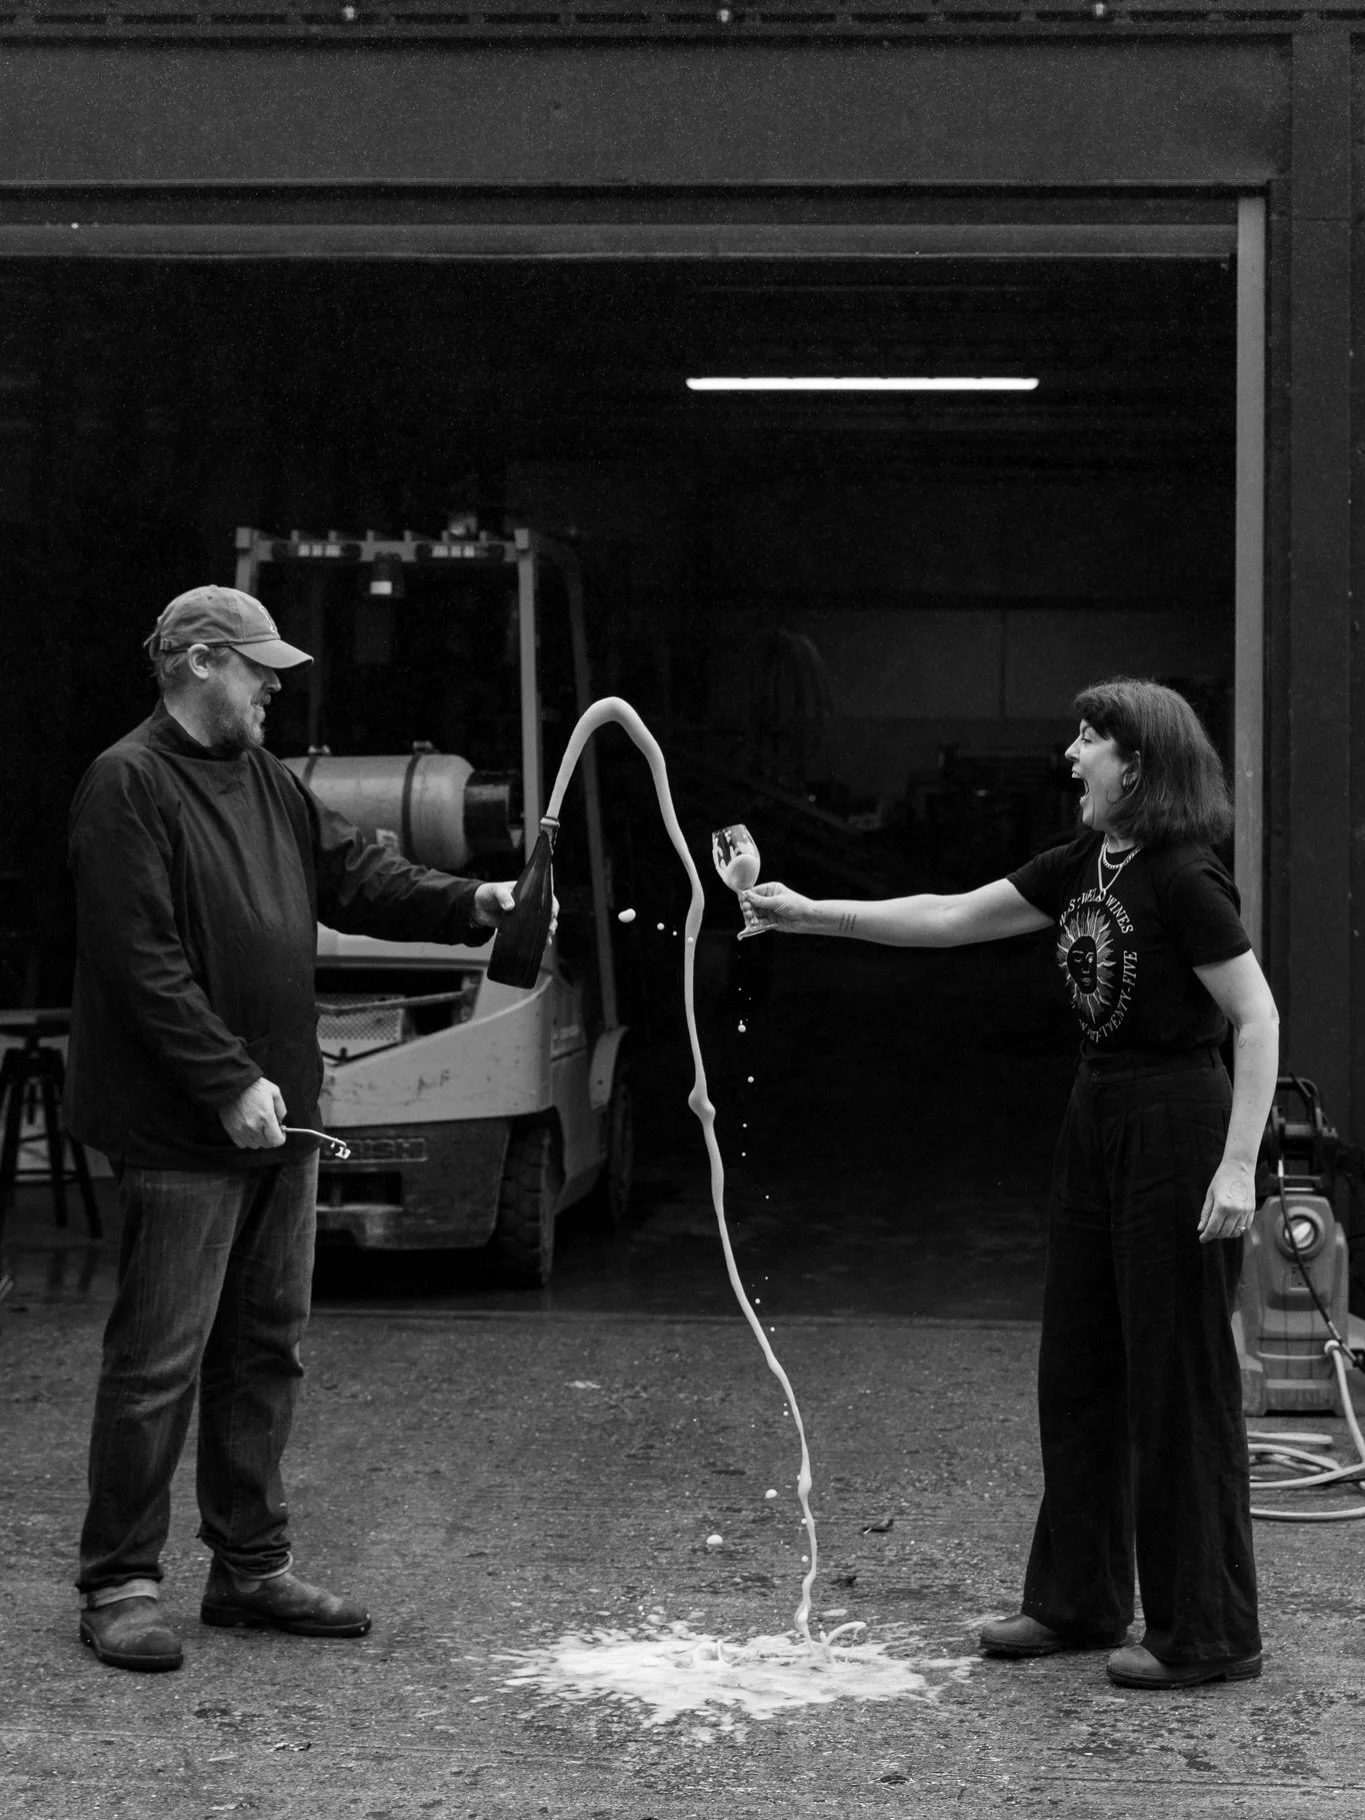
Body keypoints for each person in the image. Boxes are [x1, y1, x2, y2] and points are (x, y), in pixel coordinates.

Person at [743, 678, 1278, 1691]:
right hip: (1099, 1111)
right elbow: (950, 917)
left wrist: (1242, 1162)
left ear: (1142, 762)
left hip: (1178, 1119)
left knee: (1177, 1379)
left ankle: (1207, 1631)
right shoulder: (1086, 859)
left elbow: (1256, 1017)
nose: (1070, 754)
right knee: (1079, 1367)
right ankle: (1076, 1599)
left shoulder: (1181, 875)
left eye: (1091, 739)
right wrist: (808, 913)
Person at [64, 584, 521, 1674]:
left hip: (282, 1120)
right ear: (198, 662)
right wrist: (226, 1080)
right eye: (258, 666)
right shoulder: (128, 783)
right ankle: (120, 1580)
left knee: (266, 1346)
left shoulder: (264, 779)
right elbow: (139, 958)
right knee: (159, 1359)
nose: (275, 683)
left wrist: (473, 902)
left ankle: (250, 1564)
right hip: (186, 1130)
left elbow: (352, 872)